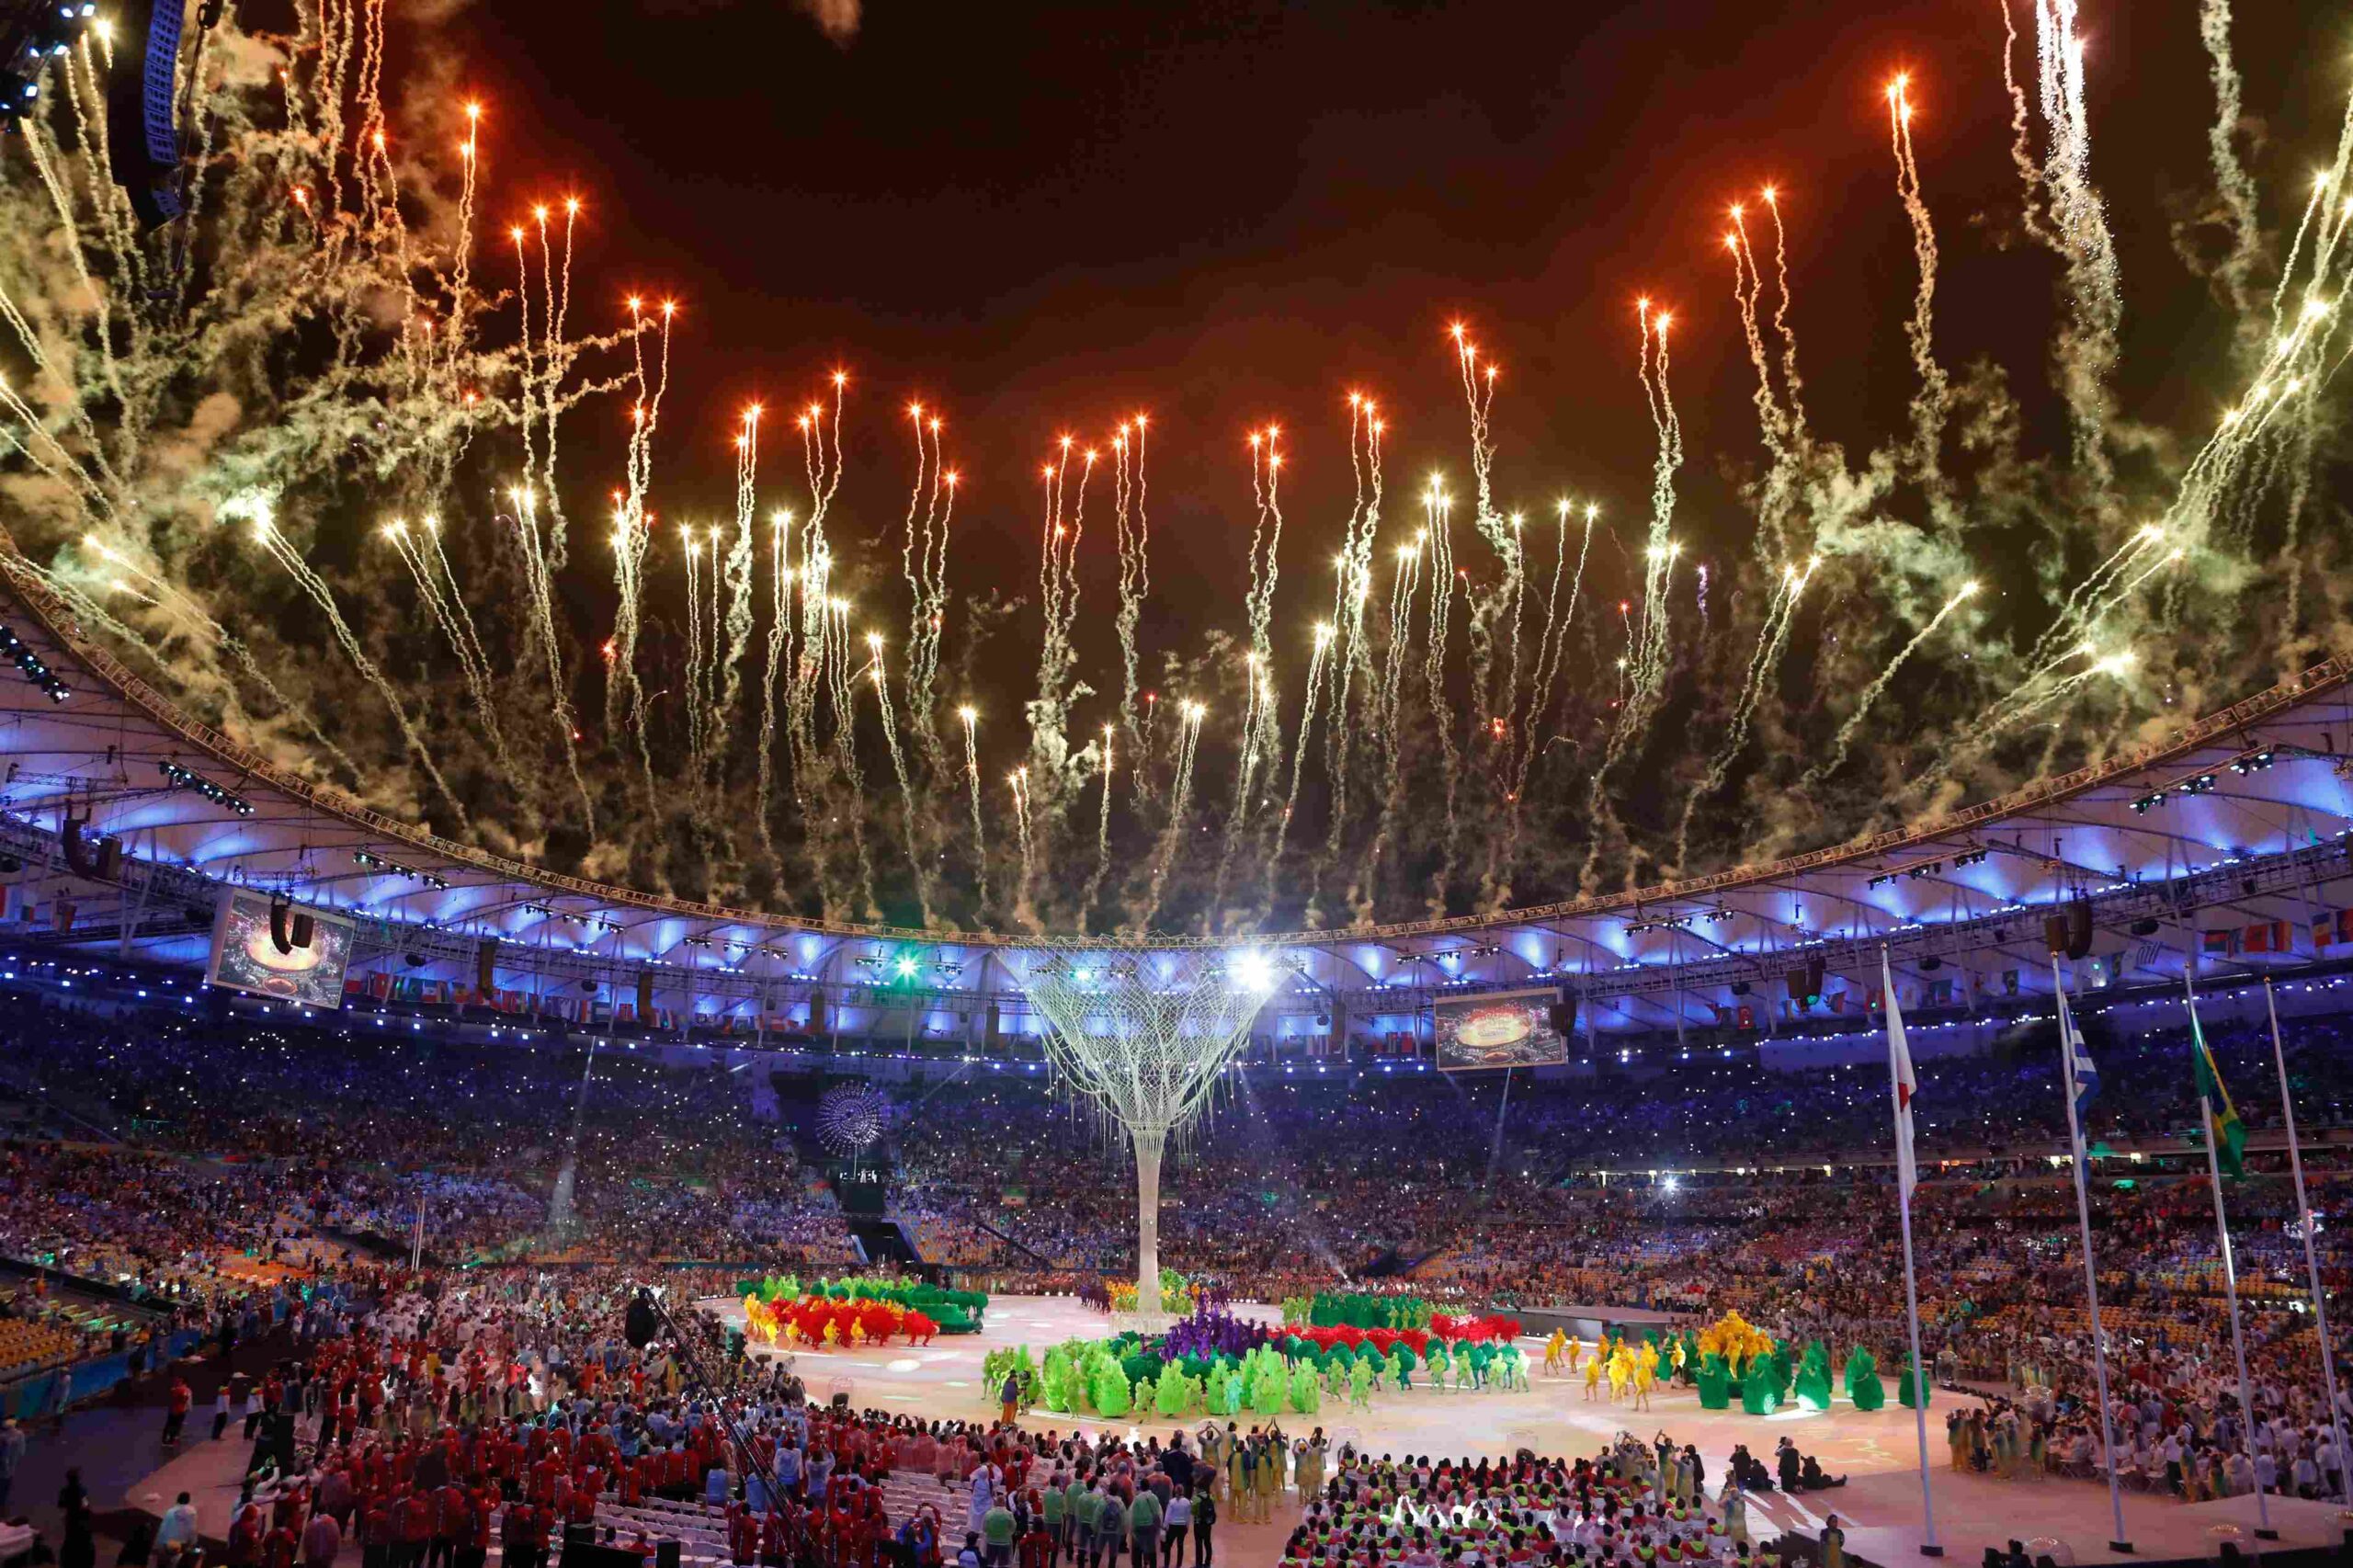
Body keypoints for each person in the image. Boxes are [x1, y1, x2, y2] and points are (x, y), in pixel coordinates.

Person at [154, 1491, 200, 1568]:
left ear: (177, 1500)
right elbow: (192, 1529)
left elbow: (162, 1529)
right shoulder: (191, 1512)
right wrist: (193, 1543)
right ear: (188, 1501)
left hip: (163, 1544)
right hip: (176, 1545)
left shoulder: (170, 1511)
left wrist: (157, 1545)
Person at [1160, 1487, 1189, 1568]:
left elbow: (1167, 1516)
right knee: (1180, 1546)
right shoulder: (1187, 1502)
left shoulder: (1172, 1502)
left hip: (1172, 1526)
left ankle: (1166, 1565)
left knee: (1168, 1546)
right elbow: (1187, 1516)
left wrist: (1165, 1526)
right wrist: (1187, 1526)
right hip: (1182, 1526)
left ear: (1175, 1491)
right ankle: (1179, 1564)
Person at [0, 1417, 23, 1515]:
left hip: (6, 1468)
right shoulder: (17, 1436)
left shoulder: (5, 1437)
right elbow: (21, 1451)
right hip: (7, 1469)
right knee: (4, 1487)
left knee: (4, 1487)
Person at [1189, 1482, 1214, 1567]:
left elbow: (1193, 1512)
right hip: (1208, 1523)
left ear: (1199, 1489)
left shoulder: (1196, 1498)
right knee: (1208, 1543)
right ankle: (1207, 1563)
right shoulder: (1211, 1497)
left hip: (1198, 1523)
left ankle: (1199, 1564)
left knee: (1198, 1544)